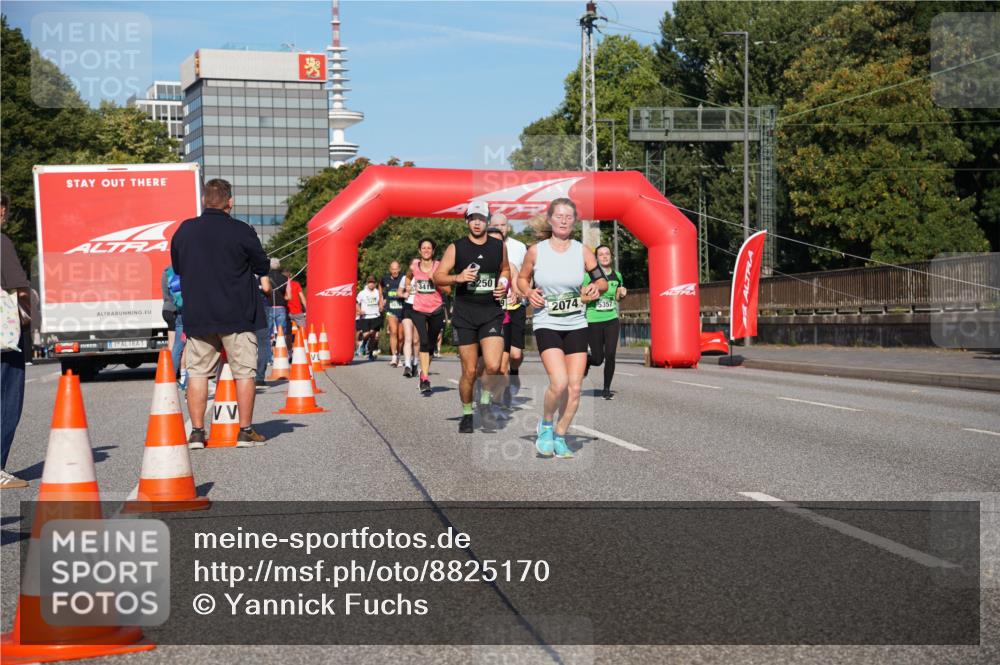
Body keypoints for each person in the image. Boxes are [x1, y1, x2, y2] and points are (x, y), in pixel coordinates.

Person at [170, 179, 270, 448]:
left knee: (198, 373)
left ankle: (197, 433)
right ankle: (245, 431)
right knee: (244, 373)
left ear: (204, 200)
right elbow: (262, 266)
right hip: (237, 315)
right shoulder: (241, 230)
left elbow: (177, 268)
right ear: (230, 201)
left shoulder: (185, 231)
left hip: (199, 315)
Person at [517, 198, 606, 459]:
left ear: (574, 222)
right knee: (560, 382)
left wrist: (595, 287)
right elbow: (522, 278)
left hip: (576, 322)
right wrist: (528, 291)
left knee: (575, 388)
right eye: (559, 216)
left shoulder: (583, 251)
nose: (564, 220)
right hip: (547, 322)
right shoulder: (536, 251)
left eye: (569, 216)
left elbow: (601, 280)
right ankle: (545, 426)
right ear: (550, 219)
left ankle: (560, 434)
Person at [433, 201, 509, 434]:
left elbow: (505, 269)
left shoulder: (498, 246)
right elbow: (438, 277)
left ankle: (484, 400)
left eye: (481, 218)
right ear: (467, 220)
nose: (477, 222)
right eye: (473, 218)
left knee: (494, 365)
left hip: (491, 312)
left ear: (487, 221)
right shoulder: (457, 247)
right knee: (469, 371)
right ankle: (467, 413)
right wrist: (458, 278)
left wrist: (503, 283)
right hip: (465, 314)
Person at [1, 193, 30, 488]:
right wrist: (31, 319)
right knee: (8, 399)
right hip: (4, 339)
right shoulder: (2, 243)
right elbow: (18, 287)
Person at [489, 213, 528, 406]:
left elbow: (525, 276)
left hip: (515, 307)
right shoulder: (483, 247)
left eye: (503, 225)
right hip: (493, 309)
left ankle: (514, 372)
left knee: (515, 355)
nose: (500, 228)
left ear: (508, 227)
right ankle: (499, 394)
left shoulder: (520, 248)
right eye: (496, 225)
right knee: (497, 358)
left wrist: (519, 293)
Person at [408, 238, 449, 395]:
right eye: (423, 248)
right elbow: (407, 276)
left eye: (429, 248)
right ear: (419, 251)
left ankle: (423, 371)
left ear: (433, 251)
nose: (426, 250)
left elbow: (447, 290)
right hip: (418, 309)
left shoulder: (439, 266)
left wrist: (436, 280)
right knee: (423, 341)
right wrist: (406, 286)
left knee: (431, 345)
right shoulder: (414, 265)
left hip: (436, 309)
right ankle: (425, 378)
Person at [585, 245, 626, 400]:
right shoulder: (589, 276)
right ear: (596, 258)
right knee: (597, 358)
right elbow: (581, 297)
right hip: (593, 320)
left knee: (610, 355)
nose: (604, 256)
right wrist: (591, 296)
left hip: (611, 319)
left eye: (607, 253)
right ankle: (587, 361)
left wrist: (622, 294)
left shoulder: (618, 275)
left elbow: (617, 297)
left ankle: (606, 389)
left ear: (612, 256)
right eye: (601, 254)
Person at [161, 265, 188, 388]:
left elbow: (166, 294)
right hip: (185, 311)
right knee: (187, 347)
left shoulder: (167, 272)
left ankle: (169, 377)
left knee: (175, 346)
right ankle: (184, 379)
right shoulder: (188, 268)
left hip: (170, 310)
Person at [264, 258, 288, 369]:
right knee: (281, 334)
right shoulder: (285, 278)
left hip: (269, 306)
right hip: (281, 307)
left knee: (267, 334)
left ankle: (269, 359)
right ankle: (281, 356)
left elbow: (265, 289)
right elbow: (289, 296)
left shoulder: (265, 277)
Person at [380, 261, 406, 367]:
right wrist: (381, 300)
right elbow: (380, 286)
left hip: (403, 310)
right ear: (390, 269)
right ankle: (394, 357)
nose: (395, 271)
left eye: (396, 269)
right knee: (393, 332)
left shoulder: (404, 278)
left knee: (401, 336)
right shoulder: (385, 278)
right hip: (391, 309)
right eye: (393, 269)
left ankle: (399, 354)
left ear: (399, 269)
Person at [355, 276, 383, 361]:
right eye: (369, 282)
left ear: (375, 284)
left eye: (373, 282)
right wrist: (359, 310)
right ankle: (363, 344)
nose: (371, 284)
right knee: (366, 334)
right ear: (367, 283)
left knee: (374, 335)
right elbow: (356, 303)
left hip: (375, 315)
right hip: (365, 316)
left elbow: (381, 301)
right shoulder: (362, 293)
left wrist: (381, 306)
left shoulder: (378, 292)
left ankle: (370, 353)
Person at [283, 268, 307, 333]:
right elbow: (302, 298)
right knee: (303, 331)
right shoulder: (296, 284)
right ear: (290, 275)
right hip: (297, 311)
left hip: (286, 312)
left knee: (287, 332)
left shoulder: (281, 286)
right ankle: (304, 342)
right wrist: (307, 309)